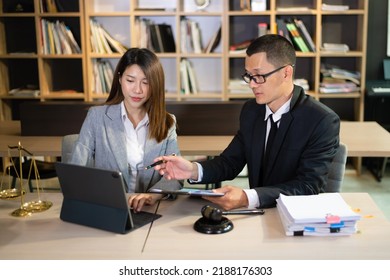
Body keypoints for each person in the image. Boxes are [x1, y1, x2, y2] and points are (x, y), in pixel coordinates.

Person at [153, 34, 340, 210]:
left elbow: (308, 186)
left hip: (297, 217)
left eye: (259, 76)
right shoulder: (252, 111)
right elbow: (230, 162)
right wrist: (192, 170)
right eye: (248, 76)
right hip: (258, 216)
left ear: (286, 73)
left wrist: (247, 197)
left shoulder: (321, 120)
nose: (251, 84)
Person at [69, 48, 182, 211]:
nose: (138, 90)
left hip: (151, 210)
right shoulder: (97, 117)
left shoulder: (167, 122)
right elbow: (75, 171)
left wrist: (152, 195)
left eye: (146, 82)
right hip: (107, 208)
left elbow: (175, 176)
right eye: (130, 80)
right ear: (120, 79)